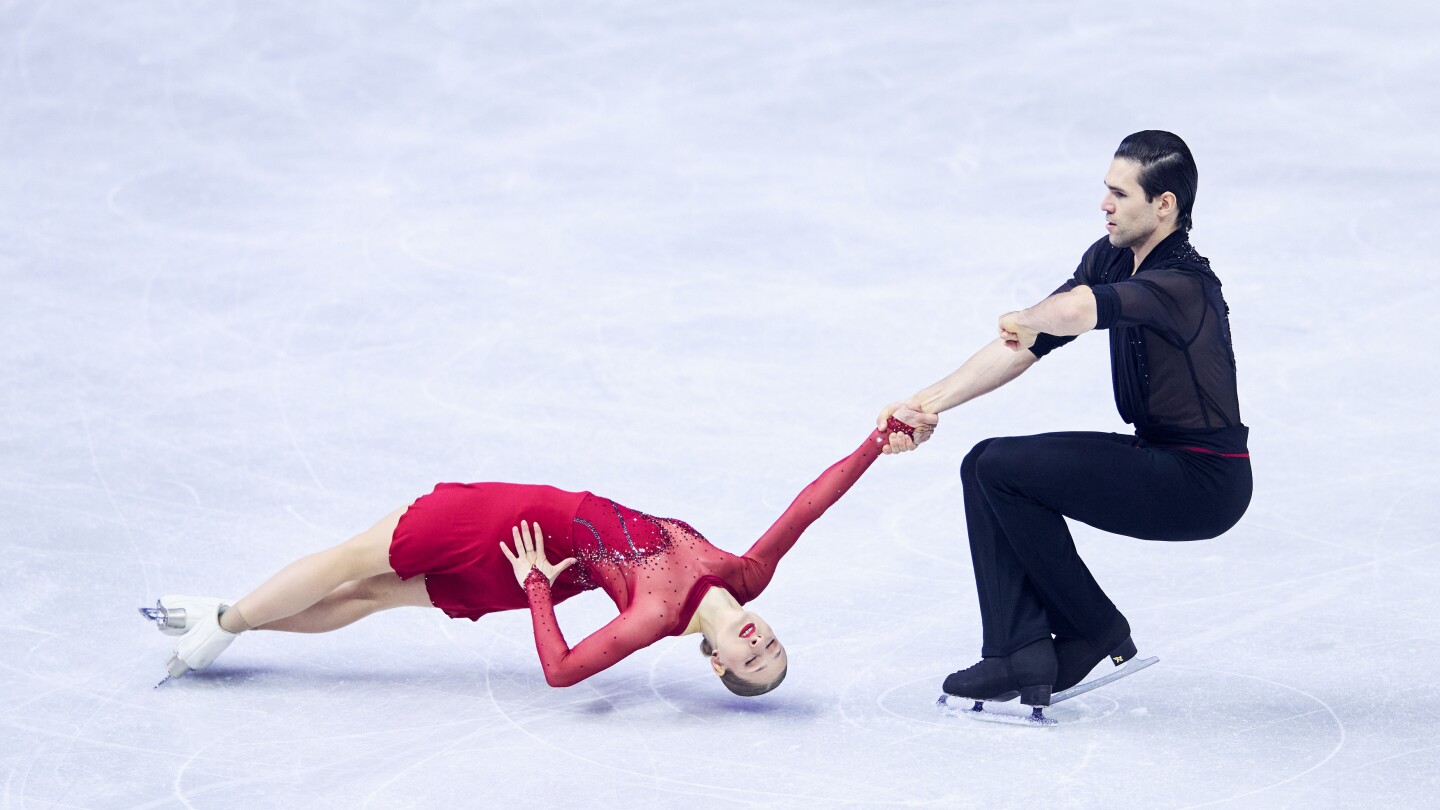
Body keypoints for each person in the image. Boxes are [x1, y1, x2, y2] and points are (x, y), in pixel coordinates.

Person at [144, 416, 930, 696]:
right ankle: (226, 624)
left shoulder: (657, 617)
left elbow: (561, 672)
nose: (762, 646)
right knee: (365, 586)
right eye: (774, 649)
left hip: (528, 546)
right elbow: (811, 505)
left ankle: (228, 618)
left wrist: (536, 588)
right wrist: (874, 443)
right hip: (539, 555)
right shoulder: (747, 574)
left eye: (751, 664)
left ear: (718, 662)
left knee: (361, 572)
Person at [877, 130, 1251, 713]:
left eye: (1119, 194)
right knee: (985, 465)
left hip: (1204, 481)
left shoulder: (1184, 284)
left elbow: (1071, 312)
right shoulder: (1112, 256)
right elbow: (1025, 343)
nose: (1104, 204)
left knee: (1001, 467)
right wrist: (925, 402)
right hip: (1158, 454)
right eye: (1106, 191)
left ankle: (1091, 628)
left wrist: (1029, 315)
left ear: (1164, 204)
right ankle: (1016, 650)